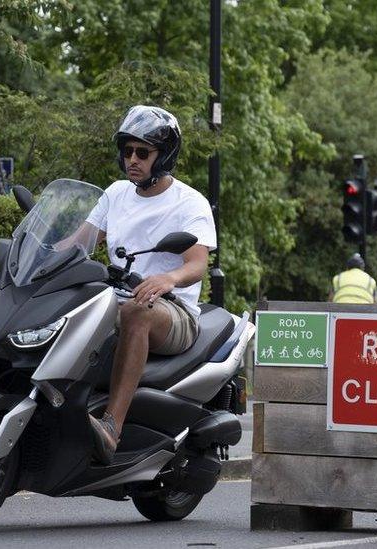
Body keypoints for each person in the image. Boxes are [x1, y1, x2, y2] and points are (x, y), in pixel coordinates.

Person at [85, 105, 217, 465]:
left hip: (172, 311)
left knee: (136, 311)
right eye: (128, 151)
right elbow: (80, 242)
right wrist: (44, 250)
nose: (133, 159)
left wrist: (167, 278)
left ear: (164, 156)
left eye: (143, 152)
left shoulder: (189, 202)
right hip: (116, 301)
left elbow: (197, 264)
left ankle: (112, 426)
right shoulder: (115, 193)